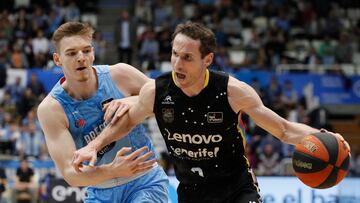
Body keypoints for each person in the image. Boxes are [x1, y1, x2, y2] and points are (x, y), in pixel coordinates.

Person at [73, 22, 350, 203]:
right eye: (174, 54)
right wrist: (94, 147)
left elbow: (284, 129)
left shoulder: (232, 91)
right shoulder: (157, 91)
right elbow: (126, 122)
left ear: (207, 59)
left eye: (187, 57)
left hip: (236, 187)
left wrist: (324, 137)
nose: (177, 63)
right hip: (192, 190)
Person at [36, 22, 168, 202]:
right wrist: (113, 170)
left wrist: (130, 100)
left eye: (86, 50)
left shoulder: (120, 74)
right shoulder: (51, 108)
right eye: (72, 53)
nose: (81, 57)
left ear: (93, 52)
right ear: (57, 59)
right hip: (100, 191)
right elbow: (70, 174)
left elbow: (166, 99)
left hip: (144, 181)